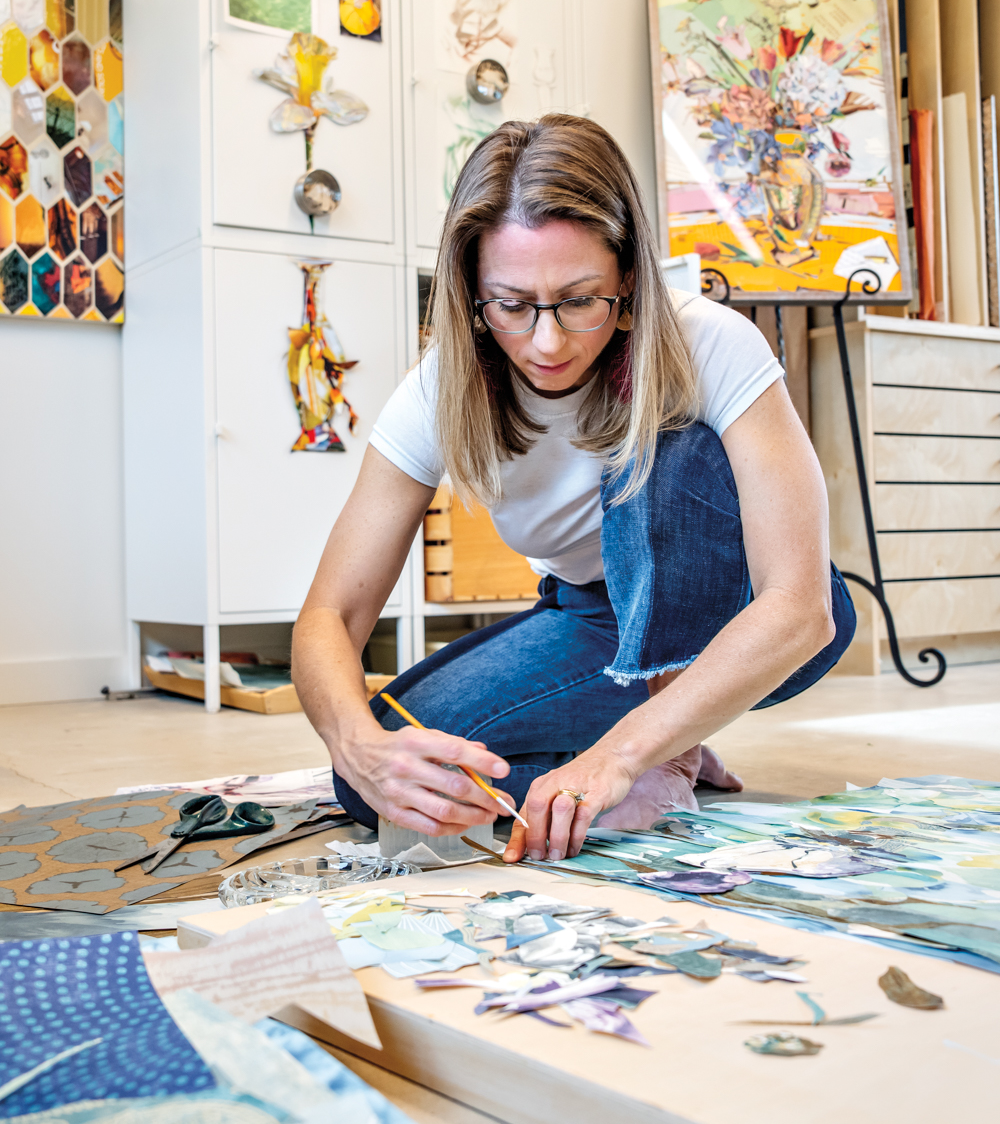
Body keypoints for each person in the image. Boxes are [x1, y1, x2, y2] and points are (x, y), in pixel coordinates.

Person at [292, 115, 855, 865]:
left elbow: (801, 608)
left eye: (579, 300)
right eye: (513, 305)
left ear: (626, 278)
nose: (547, 342)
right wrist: (358, 744)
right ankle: (656, 740)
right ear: (471, 294)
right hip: (590, 615)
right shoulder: (435, 392)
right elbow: (329, 614)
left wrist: (619, 757)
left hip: (748, 612)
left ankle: (661, 749)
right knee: (380, 784)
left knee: (668, 437)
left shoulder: (711, 342)